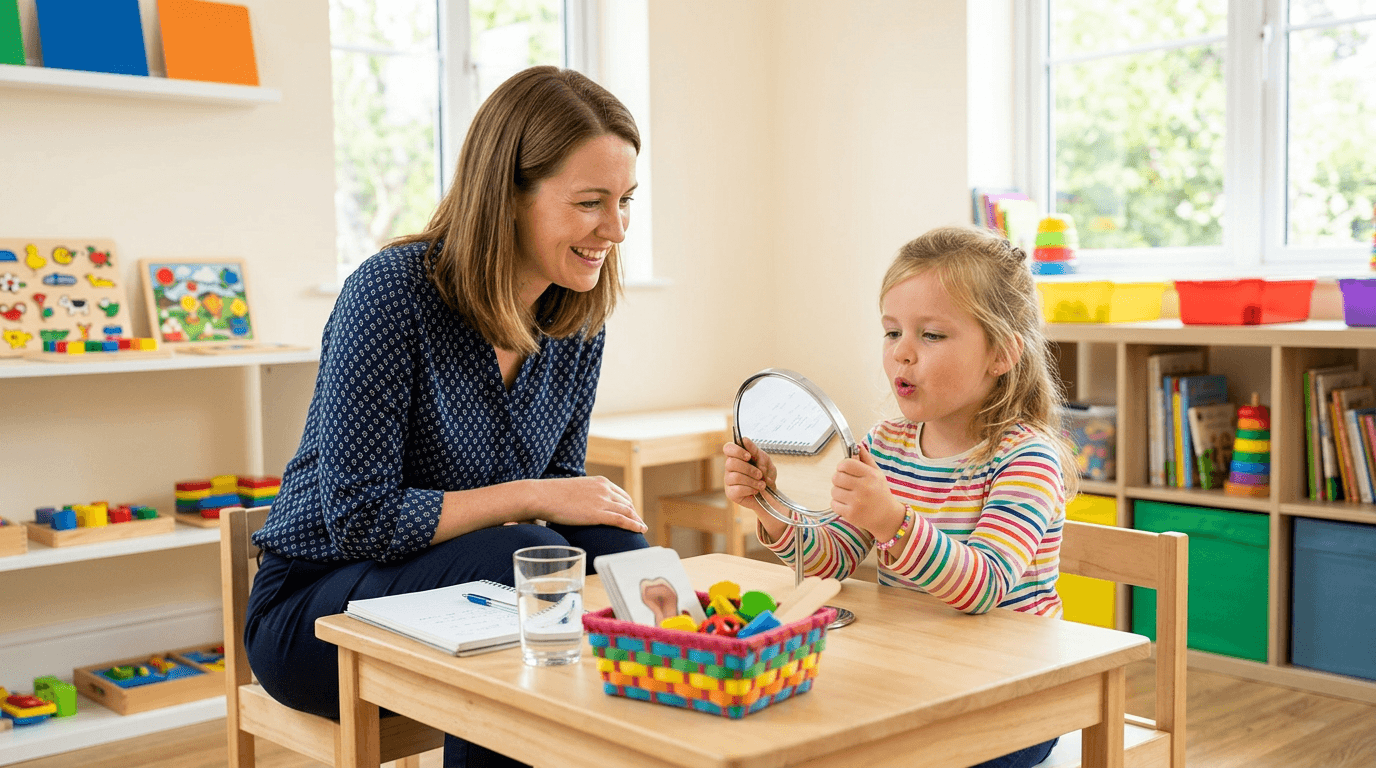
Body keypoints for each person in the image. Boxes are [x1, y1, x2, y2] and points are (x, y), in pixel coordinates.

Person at [245, 66, 649, 768]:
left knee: (618, 559)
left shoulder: (576, 314)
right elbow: (359, 518)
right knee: (520, 562)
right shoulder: (393, 294)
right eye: (591, 202)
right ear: (509, 195)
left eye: (625, 201)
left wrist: (607, 536)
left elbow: (562, 493)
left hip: (468, 594)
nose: (614, 228)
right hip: (316, 610)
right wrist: (529, 498)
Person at [723, 226, 1078, 768]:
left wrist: (892, 520)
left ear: (1002, 353)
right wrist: (769, 507)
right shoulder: (886, 445)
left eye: (931, 336)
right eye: (892, 333)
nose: (902, 355)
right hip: (918, 674)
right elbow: (830, 560)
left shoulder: (1027, 459)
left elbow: (982, 585)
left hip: (1015, 695)